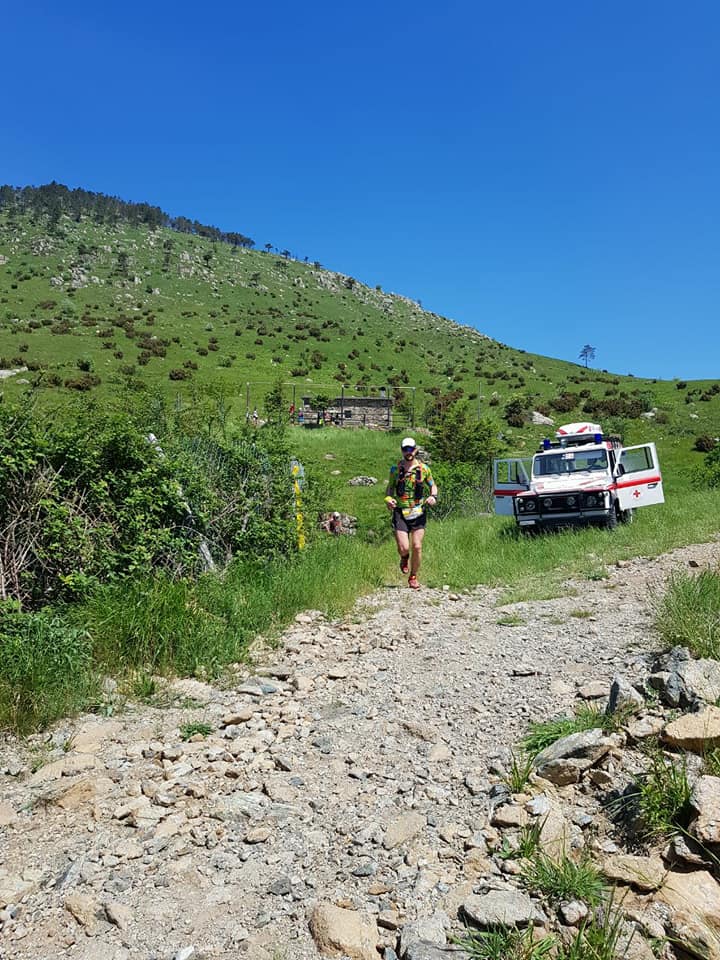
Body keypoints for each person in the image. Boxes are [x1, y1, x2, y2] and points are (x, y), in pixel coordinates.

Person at [384, 437, 437, 589]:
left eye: (411, 449)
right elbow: (390, 488)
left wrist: (433, 496)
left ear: (415, 450)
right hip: (400, 512)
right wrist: (388, 498)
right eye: (405, 449)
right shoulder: (395, 470)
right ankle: (404, 557)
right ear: (402, 450)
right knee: (404, 548)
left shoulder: (424, 469)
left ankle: (413, 577)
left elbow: (433, 486)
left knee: (417, 546)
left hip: (418, 511)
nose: (408, 452)